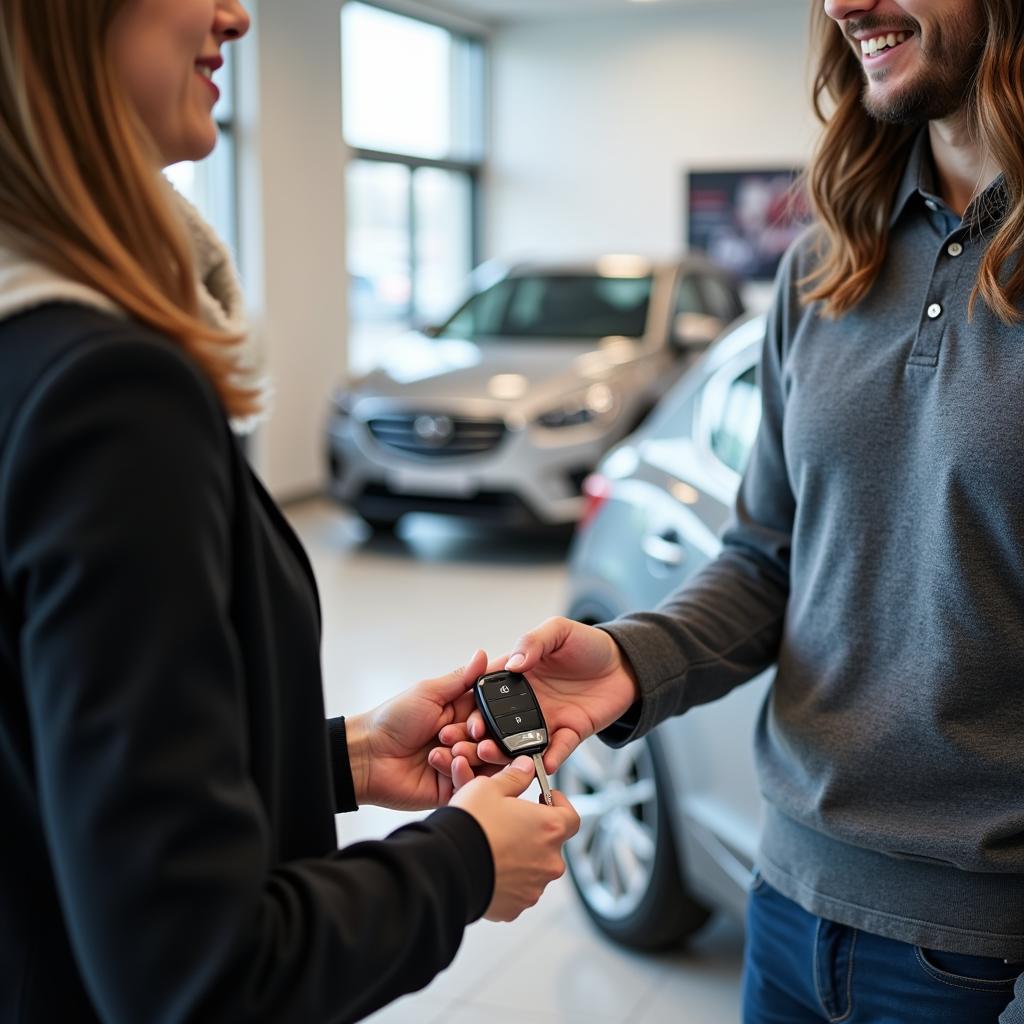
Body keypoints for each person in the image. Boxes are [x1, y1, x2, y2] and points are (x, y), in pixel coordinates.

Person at [435, 1, 1024, 1021]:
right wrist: (626, 665)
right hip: (787, 902)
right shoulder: (825, 265)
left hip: (984, 951)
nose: (845, 5)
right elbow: (765, 557)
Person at [0, 1, 579, 1022]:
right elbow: (198, 975)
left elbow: (53, 789)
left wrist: (339, 760)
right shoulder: (107, 394)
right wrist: (463, 862)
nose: (237, 12)